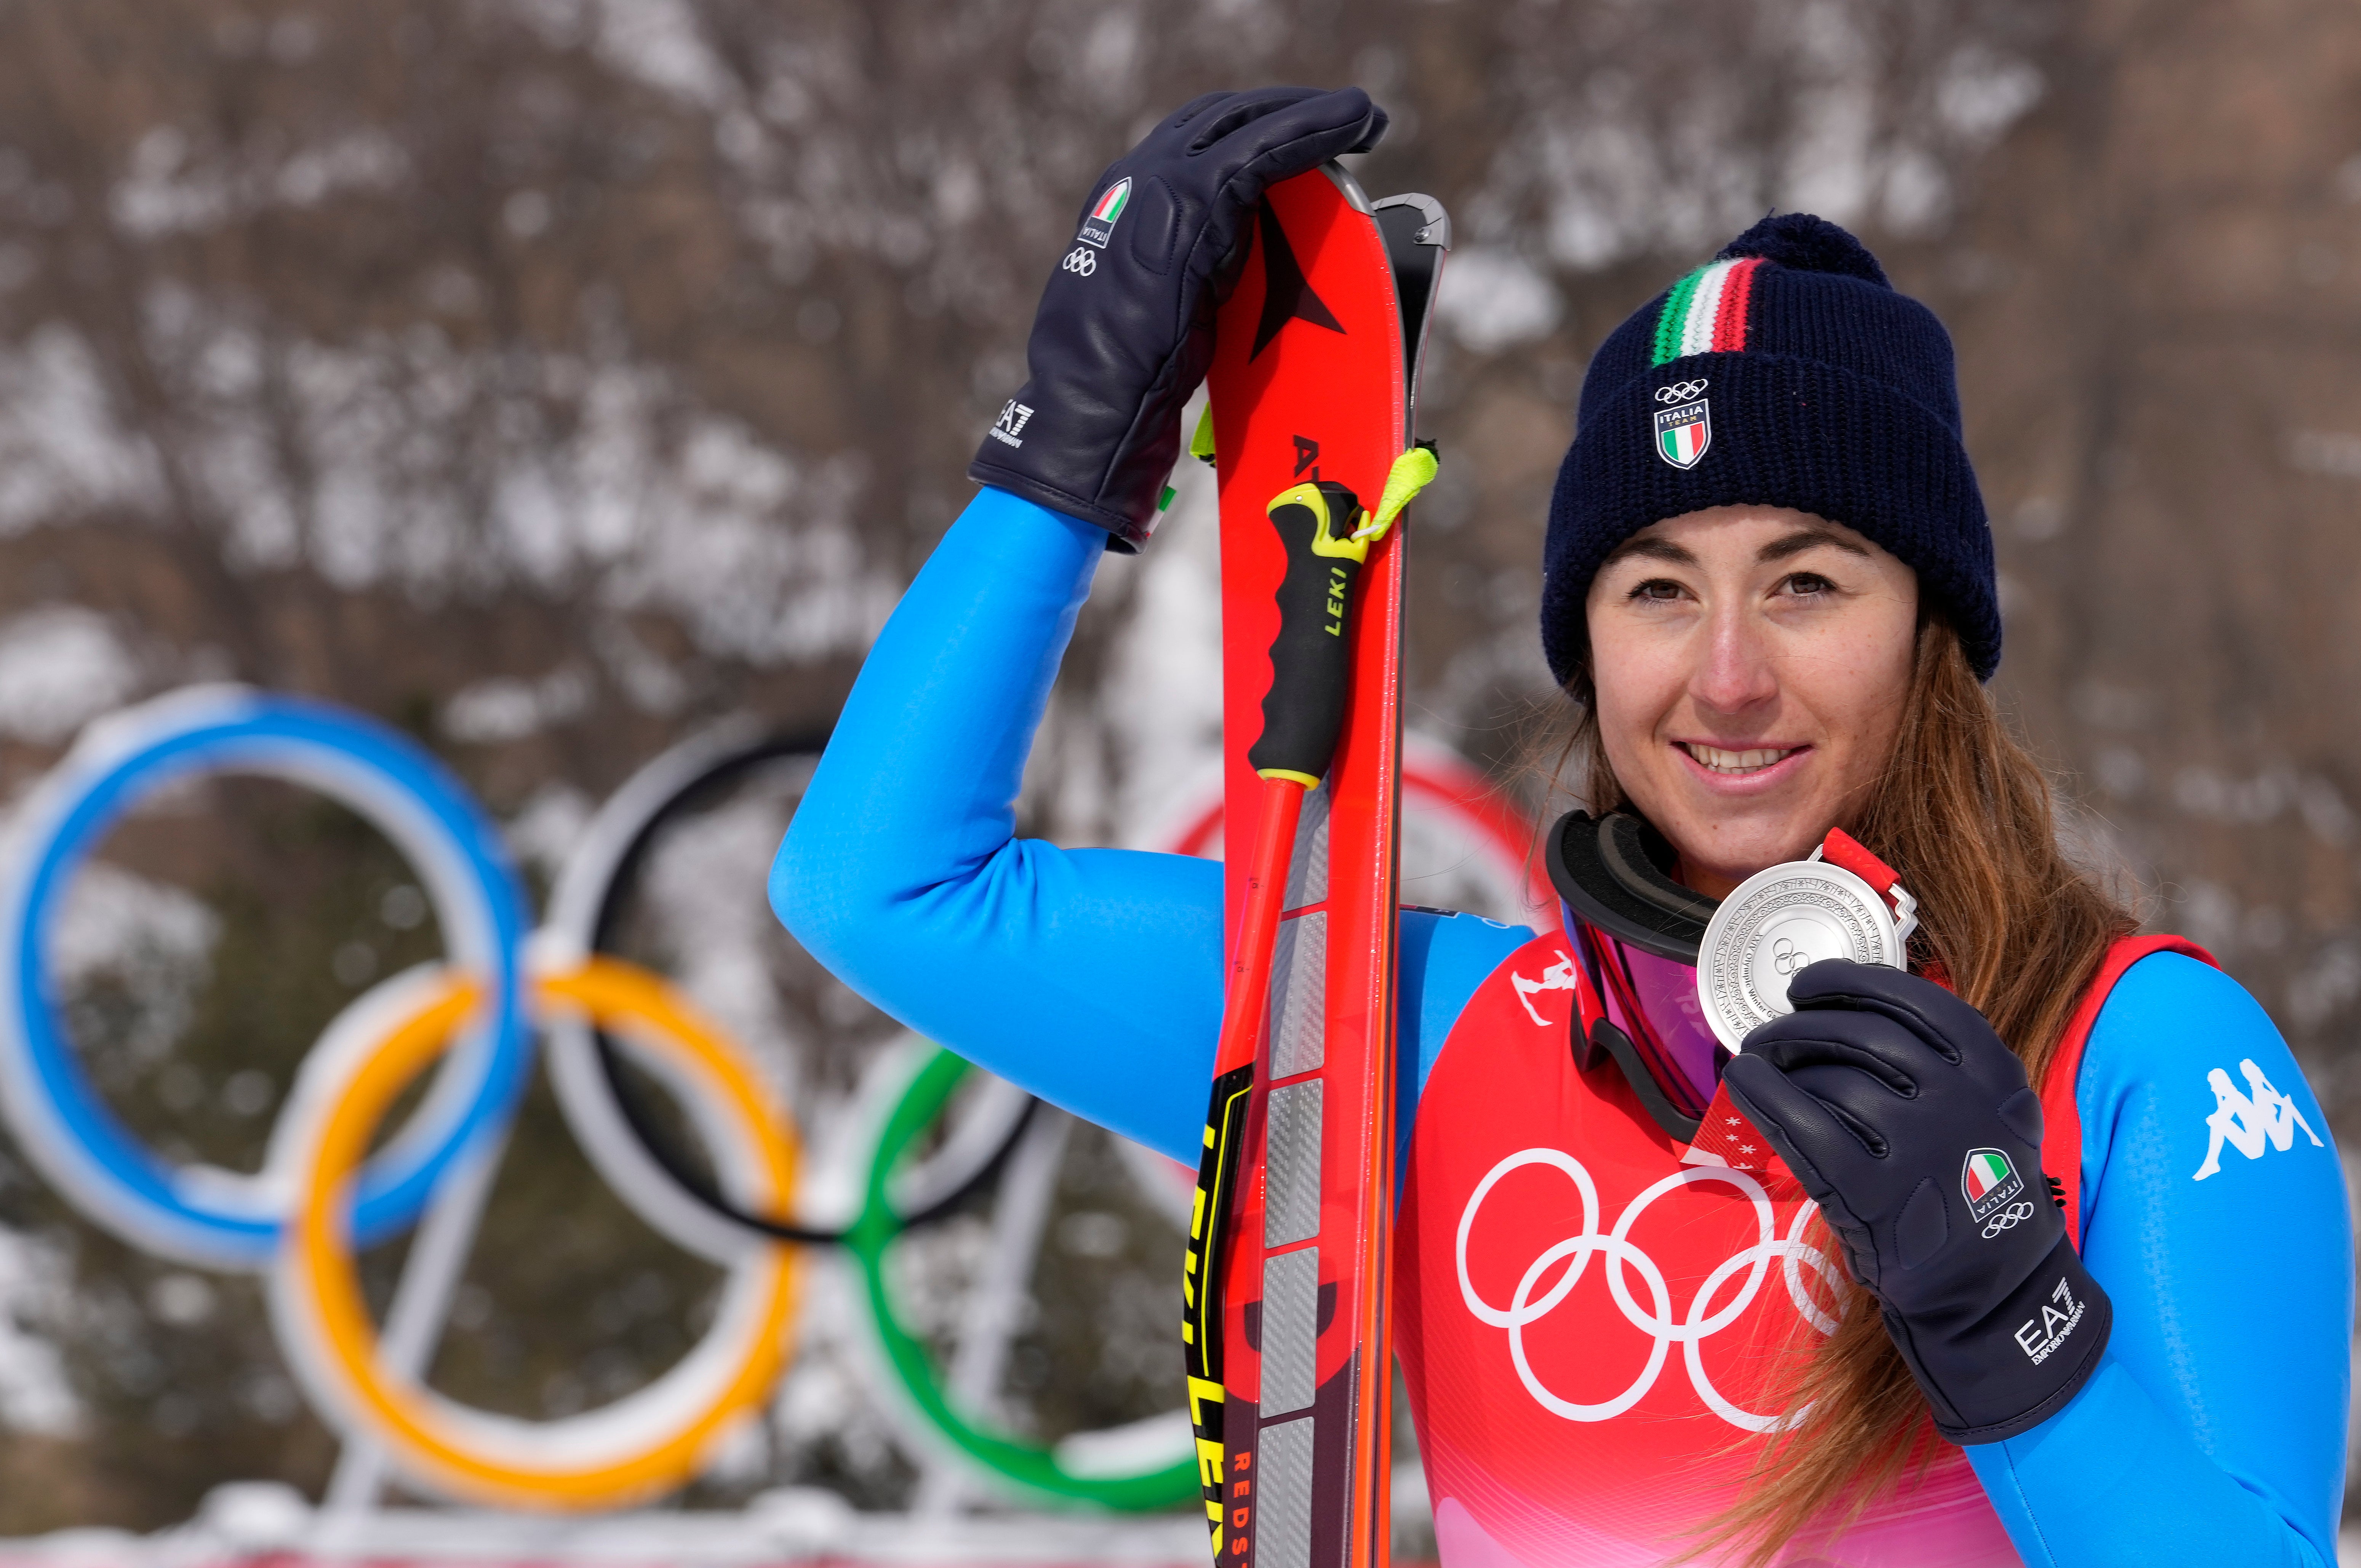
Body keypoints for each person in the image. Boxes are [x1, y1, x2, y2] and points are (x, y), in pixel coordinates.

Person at [773, 87, 2351, 1568]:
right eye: (1656, 589)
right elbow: (880, 883)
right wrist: (1065, 456)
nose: (1725, 677)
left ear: (1929, 631)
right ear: (1585, 644)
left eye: (1806, 583)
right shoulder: (1394, 1031)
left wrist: (2010, 1319)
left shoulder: (2142, 1053)